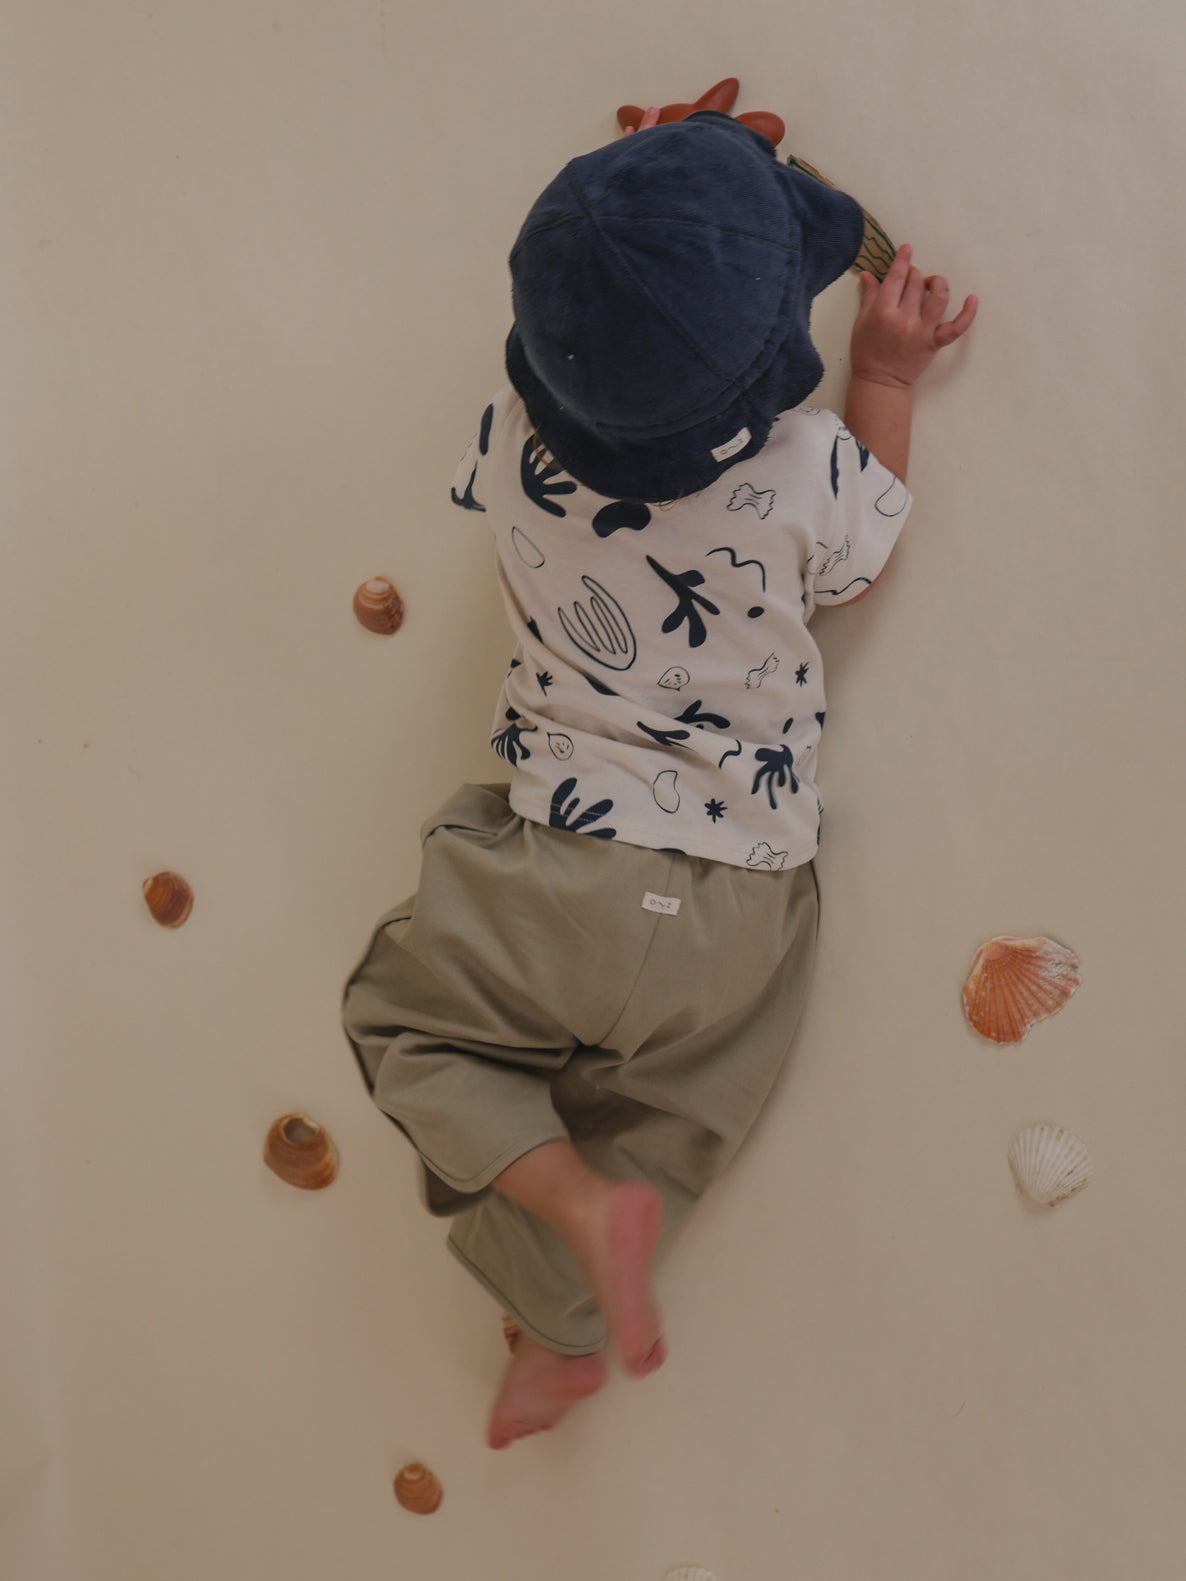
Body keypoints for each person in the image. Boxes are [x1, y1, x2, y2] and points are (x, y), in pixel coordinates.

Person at [342, 102, 977, 1450]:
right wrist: (883, 372)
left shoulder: (509, 438)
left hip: (560, 873)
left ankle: (570, 1223)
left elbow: (603, 337)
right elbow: (866, 557)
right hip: (740, 907)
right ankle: (561, 1311)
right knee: (664, 1122)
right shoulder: (807, 469)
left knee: (411, 1027)